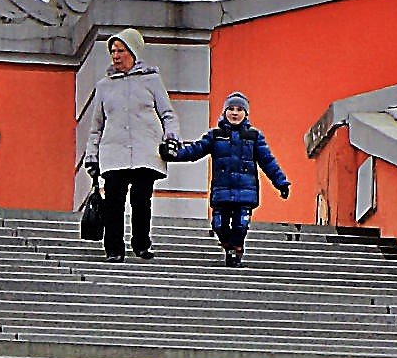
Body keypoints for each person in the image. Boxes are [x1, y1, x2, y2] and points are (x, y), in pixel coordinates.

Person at [76, 33, 177, 261]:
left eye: (121, 50)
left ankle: (141, 244)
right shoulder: (104, 86)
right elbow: (96, 126)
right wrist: (92, 155)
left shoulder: (151, 80)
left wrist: (171, 138)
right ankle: (113, 249)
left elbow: (168, 114)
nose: (115, 56)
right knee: (113, 201)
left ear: (132, 52)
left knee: (141, 200)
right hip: (114, 152)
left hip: (146, 150)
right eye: (113, 51)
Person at [167, 90, 292, 265]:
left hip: (245, 192)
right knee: (219, 225)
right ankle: (228, 246)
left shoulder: (254, 137)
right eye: (231, 109)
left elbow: (268, 161)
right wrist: (174, 154)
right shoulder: (215, 135)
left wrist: (281, 183)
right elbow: (195, 150)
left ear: (246, 114)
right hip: (222, 191)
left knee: (241, 224)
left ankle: (236, 248)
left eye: (239, 109)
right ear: (224, 112)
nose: (235, 113)